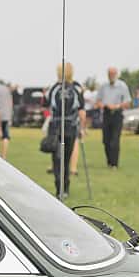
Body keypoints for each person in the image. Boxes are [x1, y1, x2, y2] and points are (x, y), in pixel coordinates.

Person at [46, 64, 87, 200]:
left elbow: (47, 106)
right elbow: (81, 112)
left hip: (56, 128)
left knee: (57, 159)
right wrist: (82, 128)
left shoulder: (53, 89)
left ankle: (59, 189)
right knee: (67, 159)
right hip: (71, 128)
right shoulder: (76, 89)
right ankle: (66, 188)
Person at [97, 66, 132, 167]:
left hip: (117, 114)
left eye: (113, 74)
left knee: (115, 140)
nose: (111, 76)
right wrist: (103, 105)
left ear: (116, 75)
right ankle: (109, 161)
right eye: (109, 74)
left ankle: (114, 163)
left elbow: (127, 102)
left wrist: (117, 106)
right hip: (106, 113)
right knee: (106, 140)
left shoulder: (122, 86)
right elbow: (98, 101)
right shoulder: (103, 86)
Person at [0, 81, 14, 157]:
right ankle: (4, 155)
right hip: (6, 115)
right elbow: (11, 102)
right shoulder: (7, 89)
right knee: (5, 136)